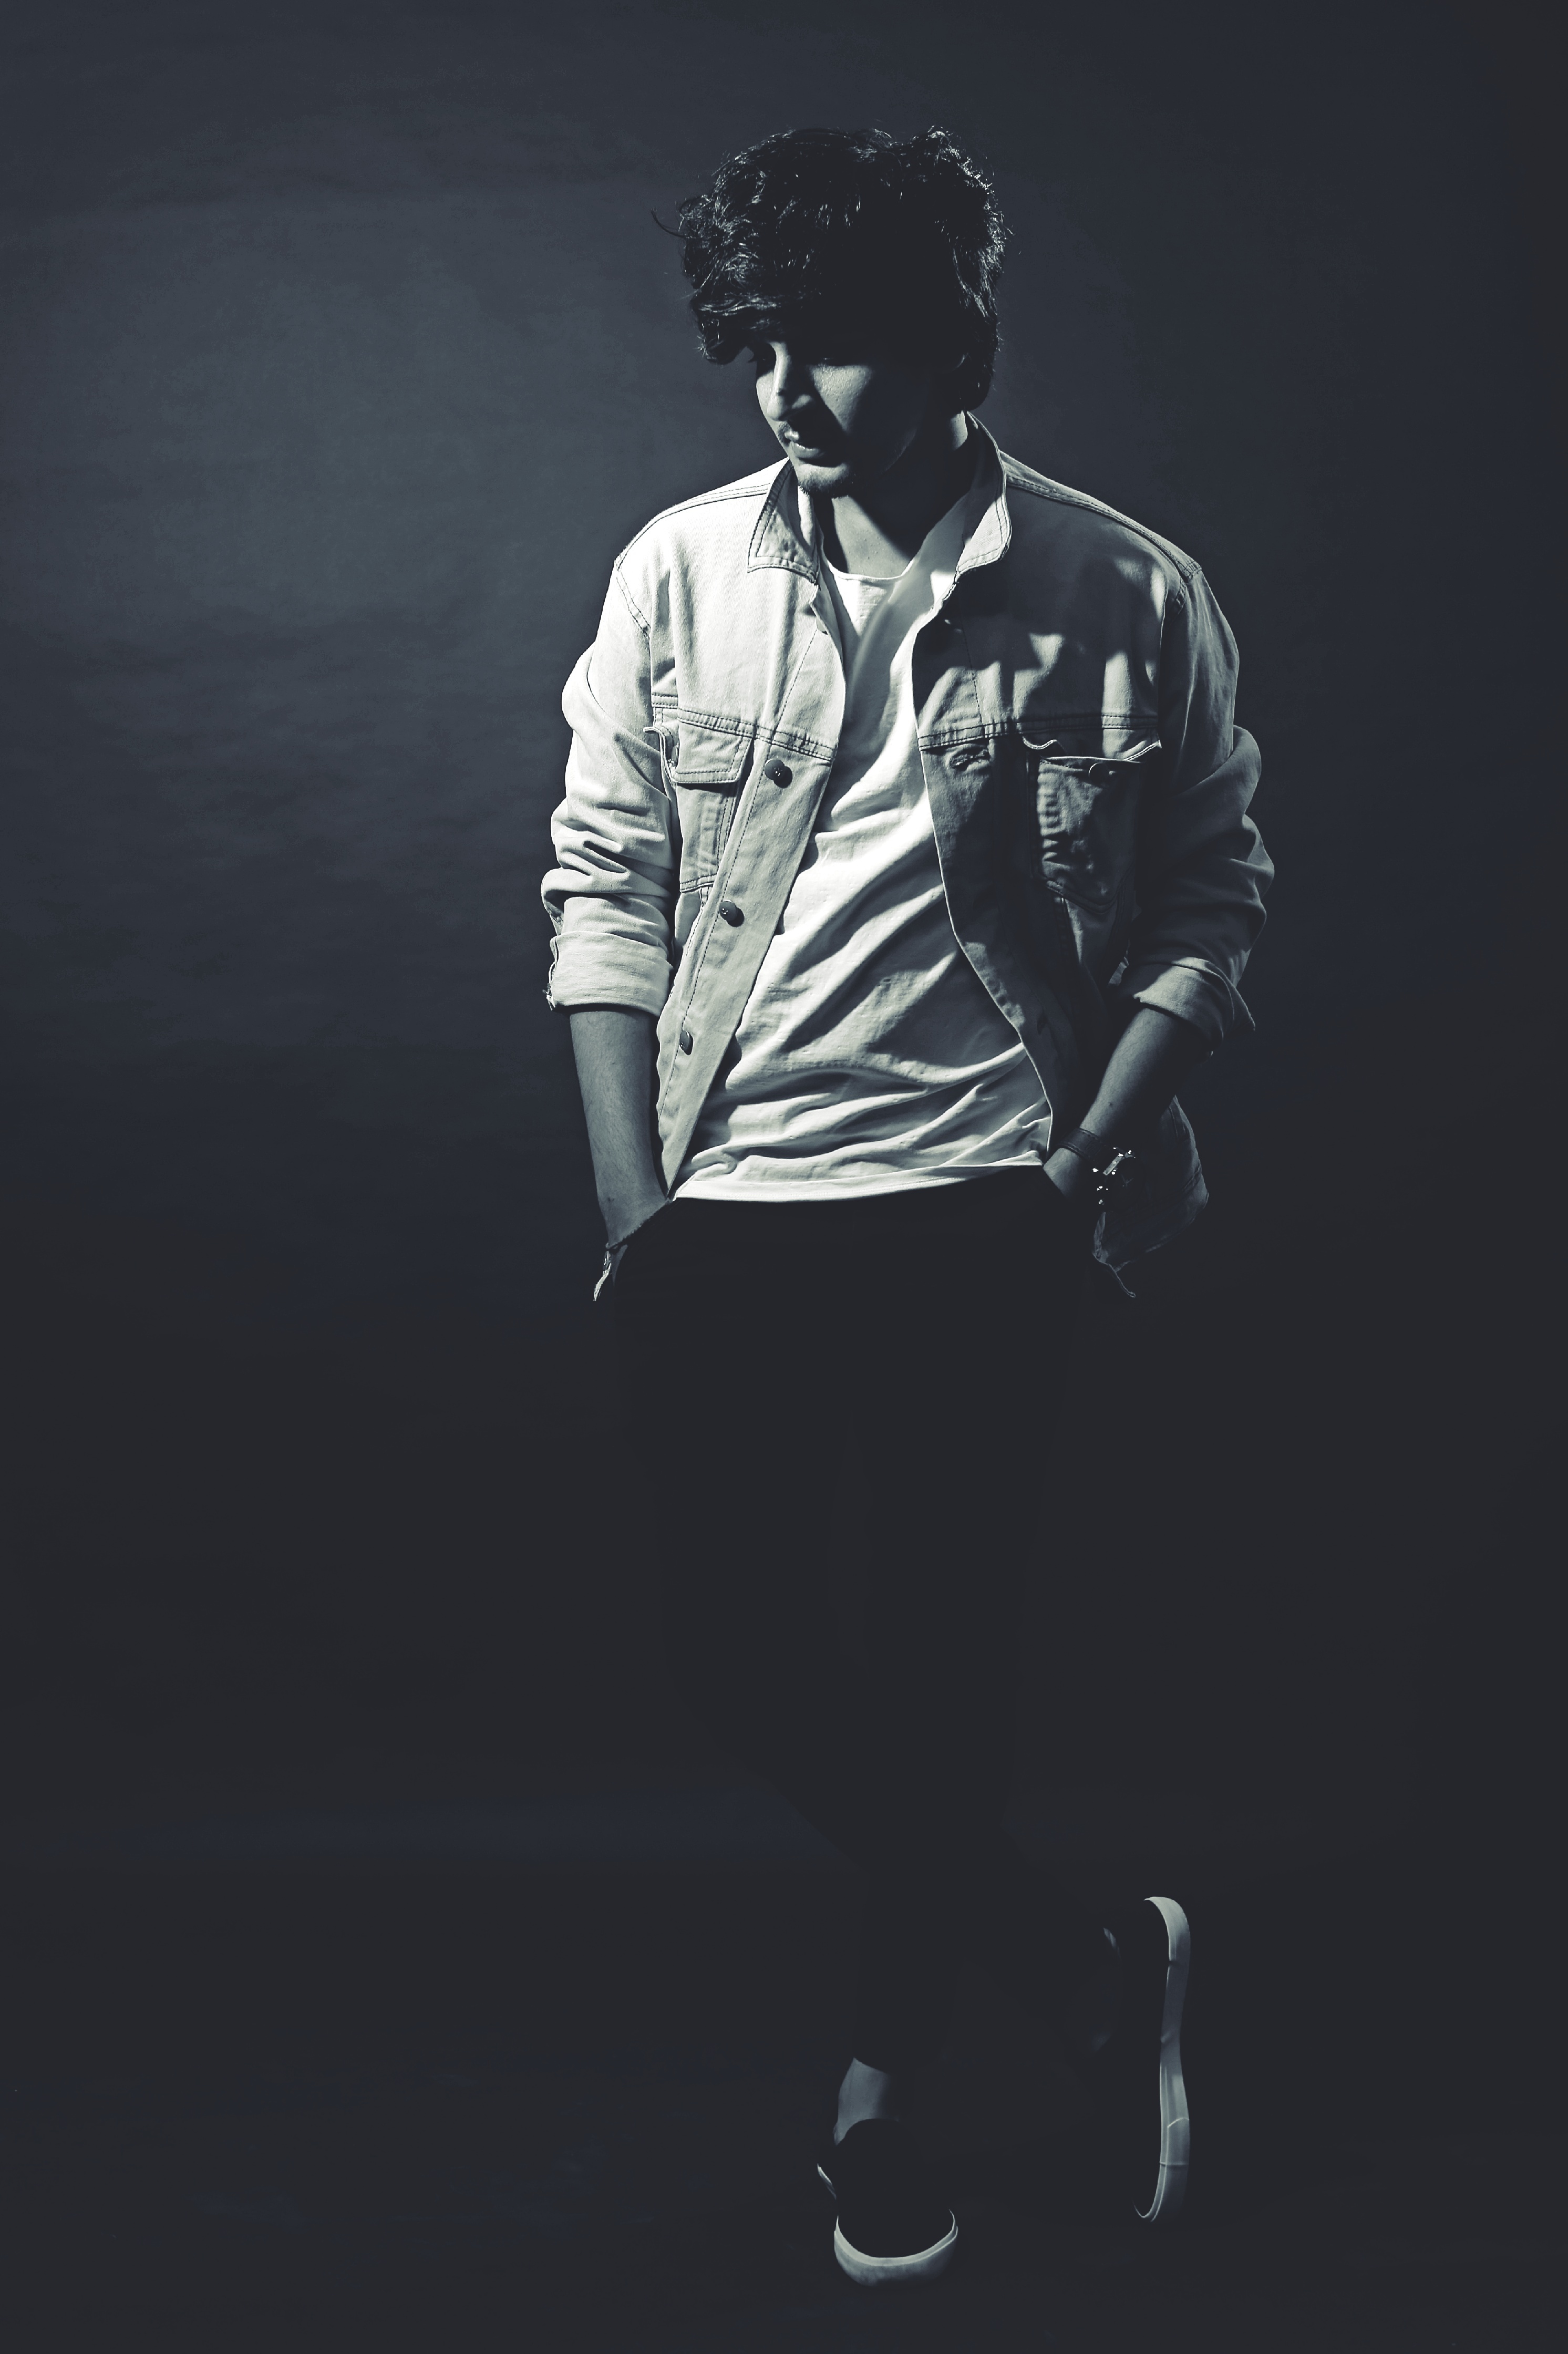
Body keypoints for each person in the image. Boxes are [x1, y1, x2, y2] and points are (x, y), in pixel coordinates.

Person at [541, 125, 1271, 2286]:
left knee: (944, 1670)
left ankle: (881, 2101)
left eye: (832, 342)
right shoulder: (679, 572)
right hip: (732, 1201)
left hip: (987, 1201)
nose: (783, 389)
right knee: (734, 1649)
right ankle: (1081, 1960)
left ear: (955, 338)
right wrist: (639, 1202)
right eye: (754, 341)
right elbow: (605, 882)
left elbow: (1210, 890)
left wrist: (1094, 1145)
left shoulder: (1122, 588)